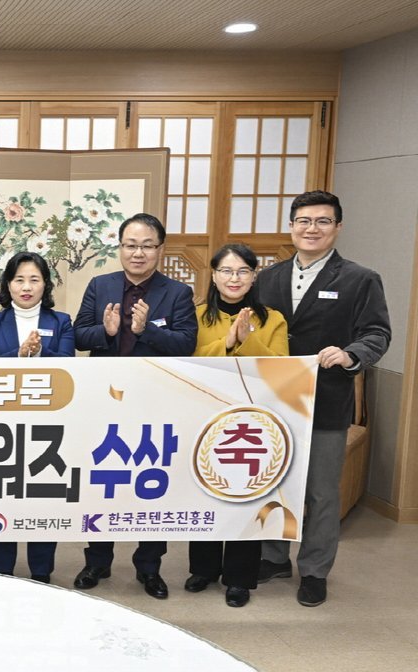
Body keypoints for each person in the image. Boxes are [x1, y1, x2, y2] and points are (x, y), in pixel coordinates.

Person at [256, 191, 391, 607]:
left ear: (338, 227)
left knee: (321, 493)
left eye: (322, 221)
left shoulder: (360, 279)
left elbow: (377, 333)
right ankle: (273, 557)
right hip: (273, 402)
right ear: (291, 226)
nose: (311, 229)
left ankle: (314, 570)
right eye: (303, 220)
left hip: (326, 402)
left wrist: (351, 355)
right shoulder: (268, 278)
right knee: (274, 484)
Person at [72, 213, 198, 600]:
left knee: (151, 483)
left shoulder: (177, 293)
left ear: (160, 249)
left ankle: (149, 567)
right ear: (120, 247)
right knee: (103, 482)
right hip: (106, 400)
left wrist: (149, 331)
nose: (138, 253)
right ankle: (97, 560)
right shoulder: (101, 285)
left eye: (146, 246)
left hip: (154, 402)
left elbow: (186, 344)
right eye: (130, 245)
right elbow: (79, 335)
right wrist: (106, 331)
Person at [186, 243, 288, 608]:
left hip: (253, 421)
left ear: (253, 276)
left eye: (243, 271)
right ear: (213, 276)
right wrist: (227, 342)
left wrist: (248, 339)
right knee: (207, 491)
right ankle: (203, 569)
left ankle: (240, 578)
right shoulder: (197, 315)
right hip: (206, 416)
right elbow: (187, 360)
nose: (234, 278)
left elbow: (281, 366)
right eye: (226, 271)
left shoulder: (273, 318)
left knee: (246, 497)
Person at [0, 251, 74, 583]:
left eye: (34, 279)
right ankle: (2, 567)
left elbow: (69, 365)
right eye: (19, 279)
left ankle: (41, 570)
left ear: (45, 284)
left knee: (43, 496)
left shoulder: (60, 322)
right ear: (8, 284)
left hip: (47, 425)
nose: (26, 287)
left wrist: (41, 352)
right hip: (2, 424)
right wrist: (19, 354)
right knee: (3, 493)